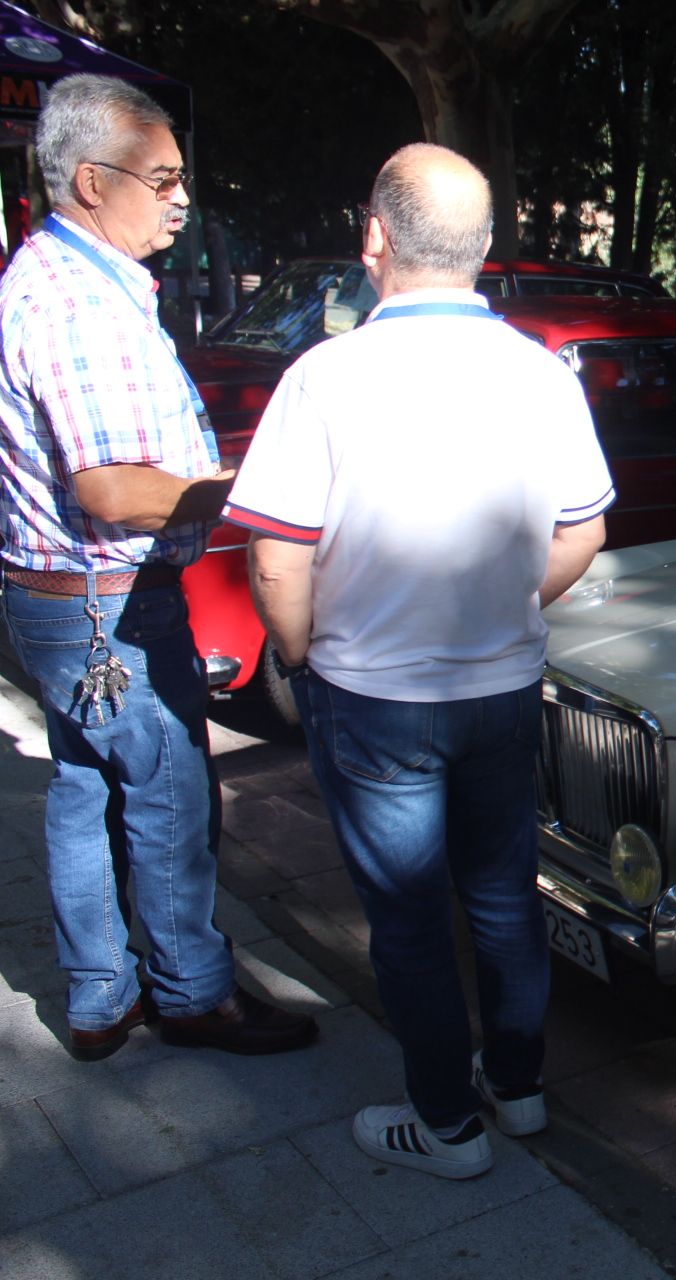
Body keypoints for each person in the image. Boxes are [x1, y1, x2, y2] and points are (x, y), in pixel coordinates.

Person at [224, 143, 611, 1181]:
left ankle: (445, 1122)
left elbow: (275, 558)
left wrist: (302, 660)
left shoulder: (325, 376)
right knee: (503, 895)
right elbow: (584, 531)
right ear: (483, 248)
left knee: (405, 915)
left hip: (371, 694)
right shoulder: (540, 372)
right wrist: (499, 606)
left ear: (374, 239)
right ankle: (519, 1089)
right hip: (498, 688)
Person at [0, 74, 316, 1062]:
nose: (183, 199)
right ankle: (192, 991)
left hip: (66, 598)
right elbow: (108, 488)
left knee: (85, 786)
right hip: (106, 602)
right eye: (164, 179)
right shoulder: (74, 302)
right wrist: (253, 487)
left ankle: (99, 996)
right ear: (93, 181)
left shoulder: (62, 277)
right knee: (171, 794)